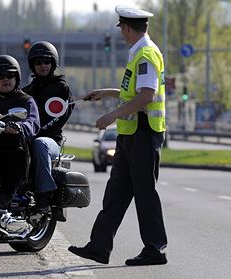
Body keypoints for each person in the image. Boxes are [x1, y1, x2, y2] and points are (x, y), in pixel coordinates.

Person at [68, 5, 168, 266]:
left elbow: (147, 96)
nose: (121, 34)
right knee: (116, 194)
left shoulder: (145, 54)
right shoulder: (138, 53)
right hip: (131, 135)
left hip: (143, 134)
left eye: (121, 29)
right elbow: (135, 92)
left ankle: (155, 249)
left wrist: (111, 116)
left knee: (145, 194)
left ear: (125, 28)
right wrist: (107, 92)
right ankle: (99, 247)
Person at [22, 41, 74, 213]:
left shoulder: (61, 88)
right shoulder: (26, 91)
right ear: (32, 65)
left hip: (50, 141)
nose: (43, 65)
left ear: (53, 63)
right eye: (38, 62)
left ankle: (44, 197)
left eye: (47, 61)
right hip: (25, 138)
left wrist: (34, 133)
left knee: (40, 143)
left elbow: (59, 118)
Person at [0, 54, 41, 209]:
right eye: (0, 76)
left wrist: (20, 127)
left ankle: (4, 198)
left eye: (10, 75)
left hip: (14, 151)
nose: (5, 79)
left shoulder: (26, 100)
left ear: (17, 77)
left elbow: (33, 122)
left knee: (14, 149)